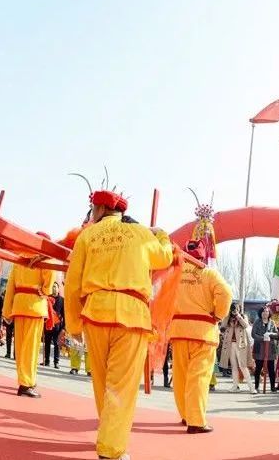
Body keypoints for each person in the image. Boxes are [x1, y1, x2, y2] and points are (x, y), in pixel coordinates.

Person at [64, 187, 174, 460]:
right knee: (121, 386)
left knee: (102, 382)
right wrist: (161, 234)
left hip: (95, 312)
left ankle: (108, 436)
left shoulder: (87, 235)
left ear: (100, 210)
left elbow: (72, 284)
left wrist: (73, 325)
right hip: (131, 315)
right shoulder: (139, 233)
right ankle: (111, 449)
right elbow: (165, 257)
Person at [167, 240, 232, 433]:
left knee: (180, 375)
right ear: (203, 256)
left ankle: (186, 415)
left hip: (179, 330)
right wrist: (218, 315)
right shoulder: (209, 273)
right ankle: (196, 420)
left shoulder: (176, 275)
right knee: (198, 377)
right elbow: (226, 293)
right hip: (202, 331)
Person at [1, 239, 56, 398]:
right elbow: (49, 280)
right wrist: (45, 290)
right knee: (30, 348)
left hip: (19, 305)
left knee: (20, 346)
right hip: (34, 306)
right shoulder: (44, 259)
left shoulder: (19, 259)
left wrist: (6, 311)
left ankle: (24, 379)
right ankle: (26, 383)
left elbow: (10, 286)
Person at [220, 305, 256, 393]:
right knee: (233, 366)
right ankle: (235, 386)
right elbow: (223, 326)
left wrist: (238, 316)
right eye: (232, 309)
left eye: (236, 309)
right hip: (230, 344)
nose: (234, 311)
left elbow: (246, 325)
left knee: (243, 365)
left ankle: (251, 387)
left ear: (239, 309)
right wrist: (228, 316)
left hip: (241, 344)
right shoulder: (228, 318)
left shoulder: (242, 316)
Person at [252, 307, 278, 392]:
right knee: (258, 368)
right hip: (260, 348)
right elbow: (253, 334)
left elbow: (277, 334)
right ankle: (256, 386)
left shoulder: (272, 322)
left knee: (271, 369)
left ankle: (272, 387)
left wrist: (270, 335)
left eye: (266, 311)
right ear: (260, 313)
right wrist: (263, 338)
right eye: (263, 311)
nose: (265, 313)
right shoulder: (257, 322)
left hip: (270, 348)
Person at [43, 282, 65, 369]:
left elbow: (64, 315)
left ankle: (56, 362)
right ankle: (47, 361)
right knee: (47, 343)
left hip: (57, 326)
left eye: (55, 287)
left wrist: (63, 327)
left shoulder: (62, 300)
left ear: (58, 288)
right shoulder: (47, 298)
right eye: (52, 287)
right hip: (48, 324)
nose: (54, 288)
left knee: (56, 344)